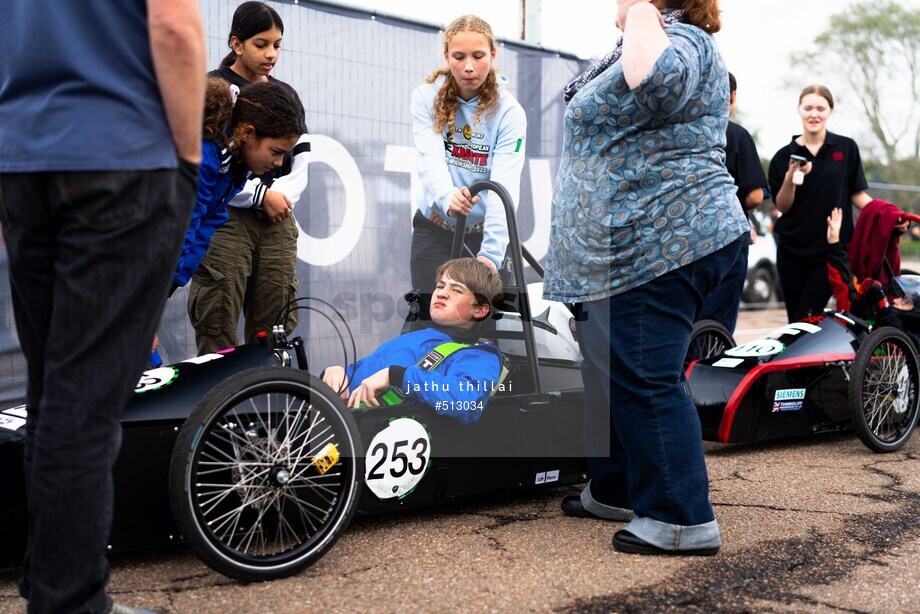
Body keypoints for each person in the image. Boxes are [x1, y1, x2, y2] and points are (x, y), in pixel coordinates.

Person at [0, 0, 205, 611]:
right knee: (84, 402)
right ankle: (70, 603)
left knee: (53, 394)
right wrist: (189, 158)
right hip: (124, 150)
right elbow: (173, 25)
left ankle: (49, 584)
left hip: (25, 157)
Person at [543, 0, 748, 556]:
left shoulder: (678, 37)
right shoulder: (652, 35)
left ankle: (681, 518)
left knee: (644, 373)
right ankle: (616, 489)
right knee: (609, 375)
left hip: (660, 241)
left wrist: (641, 11)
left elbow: (657, 83)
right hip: (616, 251)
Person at [189, 1, 311, 355]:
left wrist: (281, 197)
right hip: (228, 218)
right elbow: (214, 168)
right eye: (261, 44)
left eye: (277, 45)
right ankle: (221, 404)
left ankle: (270, 401)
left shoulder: (285, 93)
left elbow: (300, 158)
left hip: (279, 216)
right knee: (218, 316)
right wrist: (260, 196)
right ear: (236, 44)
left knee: (275, 325)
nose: (271, 53)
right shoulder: (215, 90)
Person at [409, 14, 527, 324]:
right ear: (446, 56)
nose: (469, 67)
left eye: (478, 56)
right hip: (434, 230)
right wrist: (447, 196)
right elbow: (429, 160)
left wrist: (490, 256)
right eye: (459, 57)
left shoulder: (510, 112)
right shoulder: (426, 97)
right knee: (427, 320)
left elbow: (505, 187)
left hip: (482, 236)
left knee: (489, 328)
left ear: (493, 54)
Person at [173, 79, 306, 319]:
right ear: (248, 133)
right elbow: (182, 228)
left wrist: (173, 282)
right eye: (276, 152)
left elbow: (207, 224)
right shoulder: (205, 157)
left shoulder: (236, 165)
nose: (278, 163)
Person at [322, 258, 504, 423]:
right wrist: (338, 373)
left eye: (456, 290)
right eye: (440, 286)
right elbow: (368, 371)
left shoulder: (479, 355)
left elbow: (466, 403)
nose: (442, 293)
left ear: (479, 310)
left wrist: (397, 376)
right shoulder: (415, 337)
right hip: (338, 425)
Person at [769, 85, 873, 323]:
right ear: (799, 110)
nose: (813, 114)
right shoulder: (783, 156)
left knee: (806, 318)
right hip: (791, 250)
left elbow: (858, 195)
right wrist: (790, 177)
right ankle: (801, 361)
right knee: (794, 323)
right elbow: (783, 206)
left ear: (830, 111)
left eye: (820, 108)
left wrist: (888, 215)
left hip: (830, 250)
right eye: (808, 108)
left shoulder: (846, 148)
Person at [698, 72, 769, 332]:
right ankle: (708, 368)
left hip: (685, 240)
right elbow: (754, 196)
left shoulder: (683, 135)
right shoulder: (736, 135)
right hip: (728, 240)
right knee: (718, 323)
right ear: (732, 98)